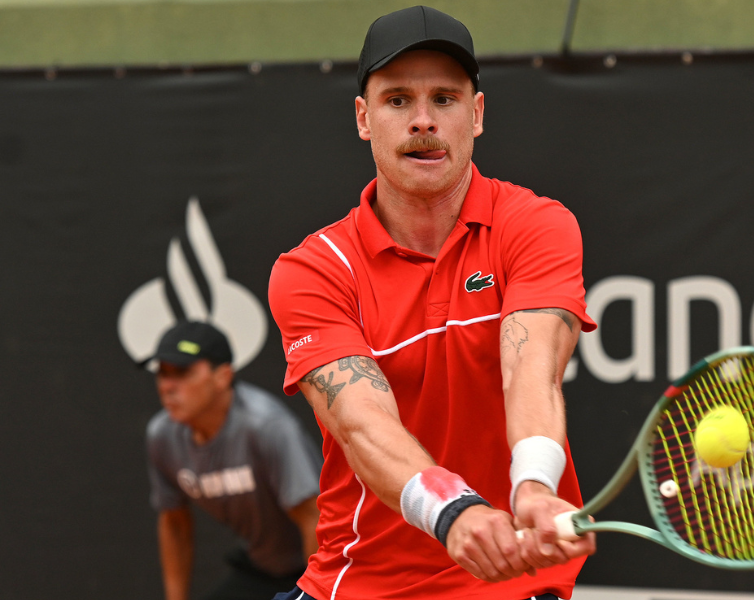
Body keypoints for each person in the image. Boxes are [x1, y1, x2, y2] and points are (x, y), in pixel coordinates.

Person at [267, 5, 598, 600]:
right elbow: (361, 425)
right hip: (360, 585)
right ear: (365, 119)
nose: (423, 121)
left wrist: (533, 485)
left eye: (444, 99)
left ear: (475, 114)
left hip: (512, 584)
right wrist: (453, 512)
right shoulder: (313, 270)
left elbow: (532, 371)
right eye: (398, 101)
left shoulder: (537, 226)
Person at [144, 321, 323, 600]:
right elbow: (174, 523)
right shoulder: (162, 436)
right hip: (260, 568)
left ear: (223, 376)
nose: (167, 386)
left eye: (182, 372)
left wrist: (316, 594)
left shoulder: (267, 427)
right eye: (162, 373)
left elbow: (314, 517)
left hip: (316, 568)